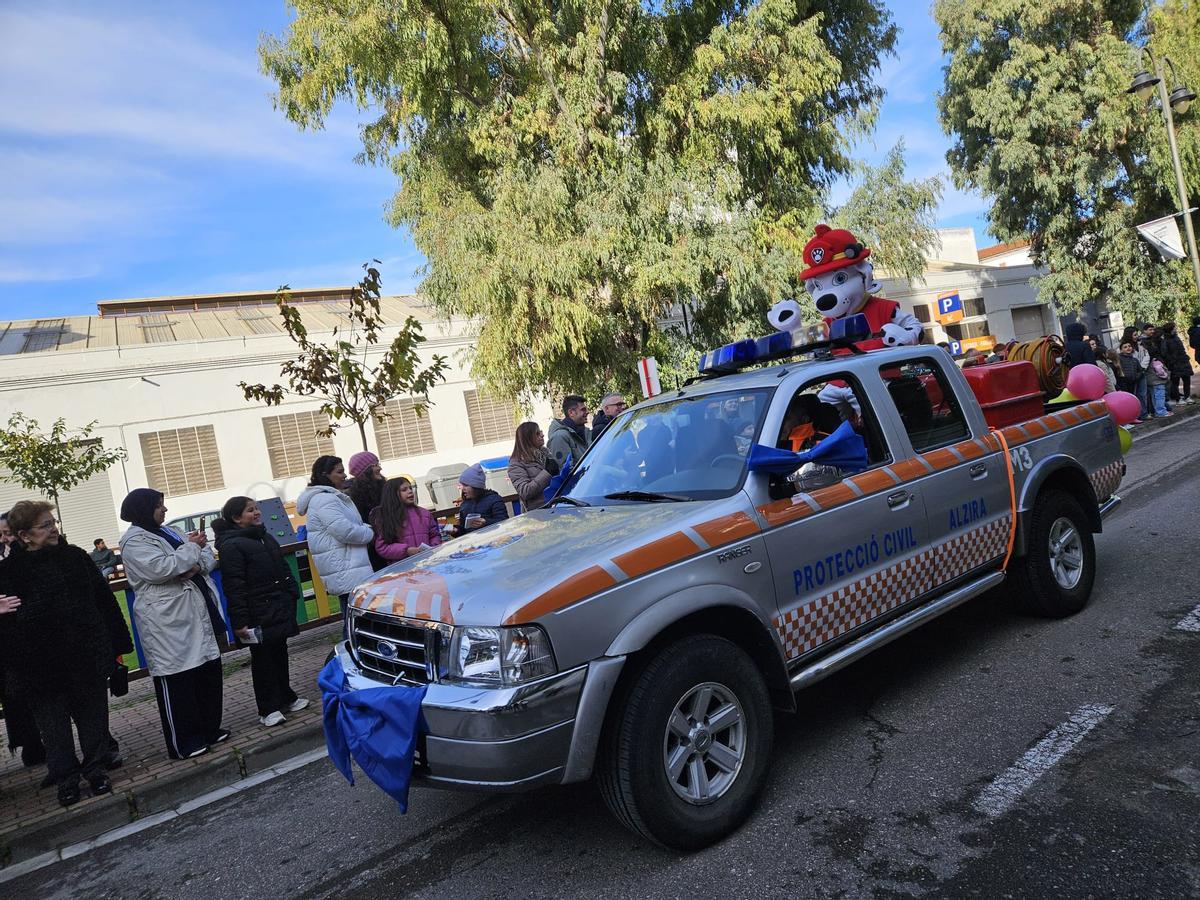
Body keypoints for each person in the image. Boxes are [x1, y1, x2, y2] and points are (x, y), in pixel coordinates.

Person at [0, 500, 133, 806]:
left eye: (53, 523)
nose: (53, 529)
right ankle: (67, 779)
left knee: (93, 720)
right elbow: (6, 629)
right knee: (54, 729)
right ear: (25, 535)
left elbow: (104, 602)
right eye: (45, 525)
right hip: (39, 666)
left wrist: (118, 645)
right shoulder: (9, 571)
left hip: (85, 656)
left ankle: (96, 769)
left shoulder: (76, 557)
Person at [119, 488, 229, 760]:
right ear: (143, 509)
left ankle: (209, 729)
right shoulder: (134, 541)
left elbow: (203, 561)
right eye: (159, 506)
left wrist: (193, 557)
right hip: (166, 620)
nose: (164, 510)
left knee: (207, 671)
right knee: (178, 678)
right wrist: (191, 552)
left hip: (195, 610)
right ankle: (185, 741)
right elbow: (162, 569)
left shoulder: (171, 532)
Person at [214, 497, 307, 728]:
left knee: (279, 653)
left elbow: (282, 566)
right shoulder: (232, 546)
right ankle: (268, 707)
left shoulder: (264, 536)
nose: (256, 513)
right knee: (263, 660)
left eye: (256, 509)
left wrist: (291, 591)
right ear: (236, 518)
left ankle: (286, 696)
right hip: (257, 611)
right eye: (250, 510)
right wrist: (240, 620)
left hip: (277, 605)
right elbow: (234, 586)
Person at [295, 456, 375, 611]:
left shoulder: (330, 498)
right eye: (340, 471)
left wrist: (363, 527)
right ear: (326, 475)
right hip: (347, 570)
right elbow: (346, 531)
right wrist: (370, 531)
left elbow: (350, 526)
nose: (344, 475)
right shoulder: (324, 500)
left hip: (349, 568)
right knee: (354, 617)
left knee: (356, 615)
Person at [370, 477, 442, 564]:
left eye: (410, 488)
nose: (410, 491)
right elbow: (382, 546)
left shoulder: (425, 514)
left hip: (427, 563)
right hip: (402, 569)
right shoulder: (385, 517)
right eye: (404, 490)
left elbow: (434, 535)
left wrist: (433, 546)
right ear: (393, 494)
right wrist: (406, 551)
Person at [346, 452, 387, 570]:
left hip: (391, 546)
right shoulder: (353, 497)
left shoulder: (384, 488)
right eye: (375, 465)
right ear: (365, 470)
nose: (379, 468)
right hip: (371, 551)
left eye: (378, 463)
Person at [507, 422, 559, 512]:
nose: (542, 435)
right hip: (539, 514)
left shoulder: (545, 454)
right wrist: (547, 473)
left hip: (557, 505)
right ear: (528, 438)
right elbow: (524, 491)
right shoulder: (516, 463)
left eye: (541, 431)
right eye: (537, 433)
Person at [455, 463, 509, 534]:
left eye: (466, 485)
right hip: (473, 543)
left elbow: (504, 521)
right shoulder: (464, 505)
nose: (462, 488)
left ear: (476, 486)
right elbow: (464, 530)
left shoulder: (494, 499)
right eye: (462, 485)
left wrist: (486, 522)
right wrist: (455, 530)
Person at [547, 395, 590, 471]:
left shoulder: (585, 432)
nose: (587, 412)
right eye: (583, 409)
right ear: (571, 413)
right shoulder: (559, 437)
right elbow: (566, 471)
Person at [1141, 325, 1172, 418]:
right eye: (1150, 329)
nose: (1152, 331)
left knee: (1155, 393)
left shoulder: (1150, 341)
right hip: (1153, 369)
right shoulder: (1145, 343)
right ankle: (1161, 411)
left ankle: (1158, 411)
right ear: (1144, 330)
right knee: (1159, 391)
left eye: (1153, 329)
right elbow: (1161, 353)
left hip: (1153, 369)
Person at [1161, 322, 1193, 404]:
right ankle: (1178, 399)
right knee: (1175, 382)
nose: (1176, 329)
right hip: (1175, 364)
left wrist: (1186, 358)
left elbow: (1182, 350)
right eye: (1175, 327)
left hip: (1183, 362)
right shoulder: (1166, 340)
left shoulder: (1176, 337)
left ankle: (1187, 397)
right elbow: (1165, 353)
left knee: (1187, 380)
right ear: (1171, 329)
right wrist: (1171, 362)